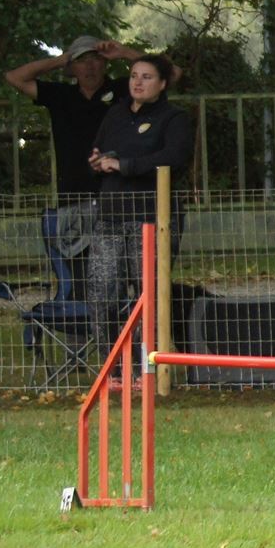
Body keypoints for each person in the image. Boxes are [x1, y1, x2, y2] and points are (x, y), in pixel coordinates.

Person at [87, 54, 193, 363]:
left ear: (162, 83)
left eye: (147, 77)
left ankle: (148, 365)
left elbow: (175, 158)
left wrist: (125, 165)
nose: (138, 82)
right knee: (101, 293)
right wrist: (98, 161)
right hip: (110, 216)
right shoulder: (116, 114)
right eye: (134, 75)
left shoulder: (174, 118)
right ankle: (113, 366)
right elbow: (100, 150)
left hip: (151, 218)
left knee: (149, 295)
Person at [3, 37, 166, 209]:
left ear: (105, 63)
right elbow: (14, 77)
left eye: (95, 59)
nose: (89, 66)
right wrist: (59, 60)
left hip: (121, 196)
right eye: (81, 60)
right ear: (72, 68)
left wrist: (124, 52)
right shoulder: (61, 95)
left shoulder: (125, 90)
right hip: (73, 197)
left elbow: (171, 74)